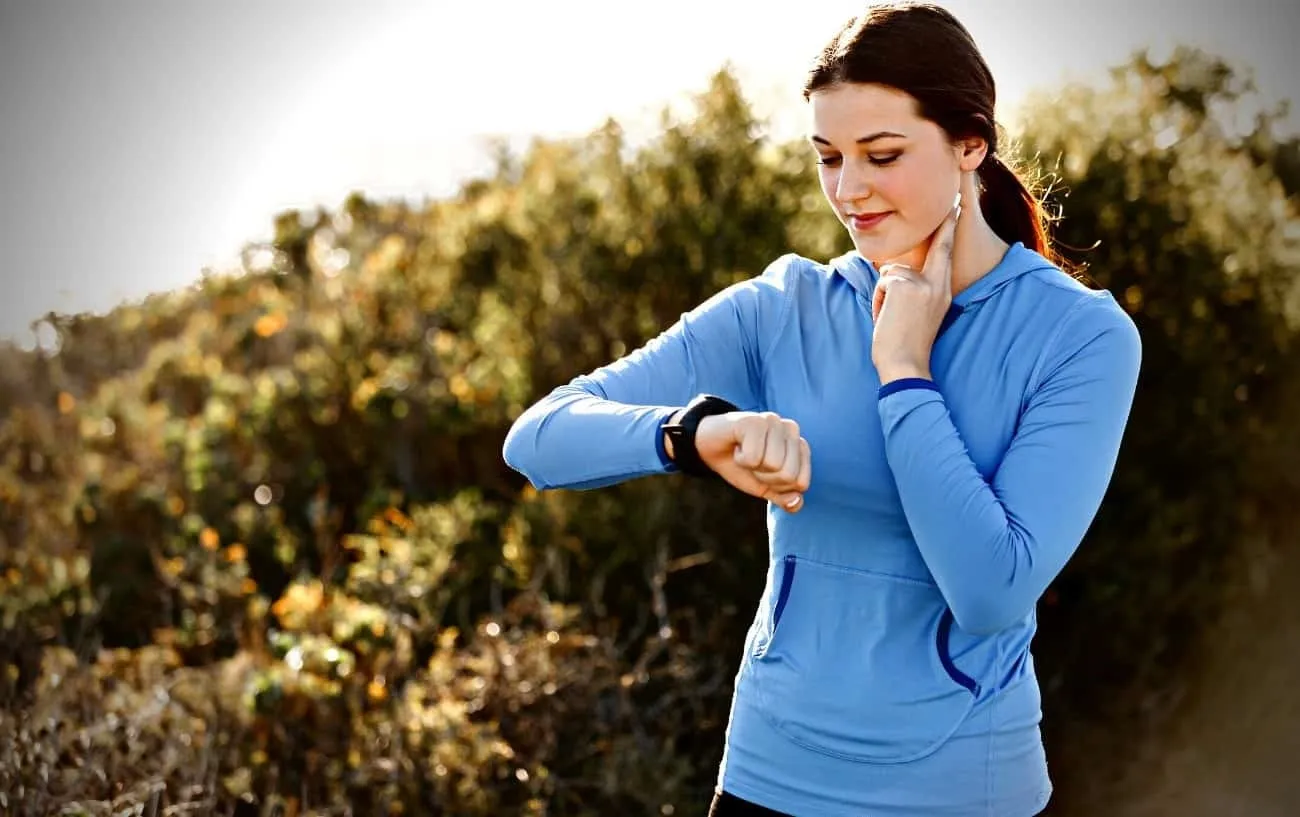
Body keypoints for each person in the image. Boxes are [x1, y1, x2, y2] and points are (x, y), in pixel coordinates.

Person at [502, 2, 1142, 814]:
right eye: (828, 156)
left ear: (970, 143)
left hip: (963, 789)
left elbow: (990, 591)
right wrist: (694, 434)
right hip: (769, 777)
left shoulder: (1079, 335)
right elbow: (540, 436)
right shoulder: (786, 306)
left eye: (881, 155)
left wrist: (905, 371)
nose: (848, 189)